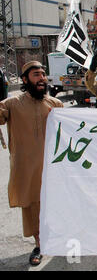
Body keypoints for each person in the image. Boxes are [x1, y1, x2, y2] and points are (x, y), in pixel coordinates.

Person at [0, 61, 64, 266]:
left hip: (52, 167)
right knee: (33, 206)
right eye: (36, 75)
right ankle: (40, 243)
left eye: (43, 75)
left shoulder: (55, 104)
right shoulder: (11, 104)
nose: (42, 78)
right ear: (25, 79)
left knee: (54, 203)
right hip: (26, 168)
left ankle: (55, 239)